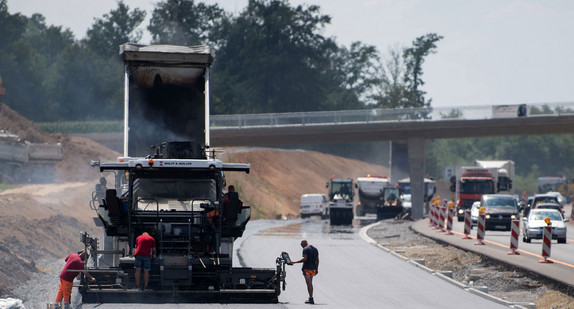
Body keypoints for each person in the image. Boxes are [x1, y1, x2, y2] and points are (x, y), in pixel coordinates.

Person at [288, 240, 319, 304]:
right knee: (310, 283)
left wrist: (294, 262)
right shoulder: (315, 249)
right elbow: (317, 260)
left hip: (306, 269)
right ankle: (310, 298)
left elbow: (305, 259)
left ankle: (311, 298)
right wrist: (317, 269)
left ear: (304, 244)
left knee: (309, 284)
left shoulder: (305, 249)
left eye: (302, 246)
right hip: (313, 269)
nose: (302, 247)